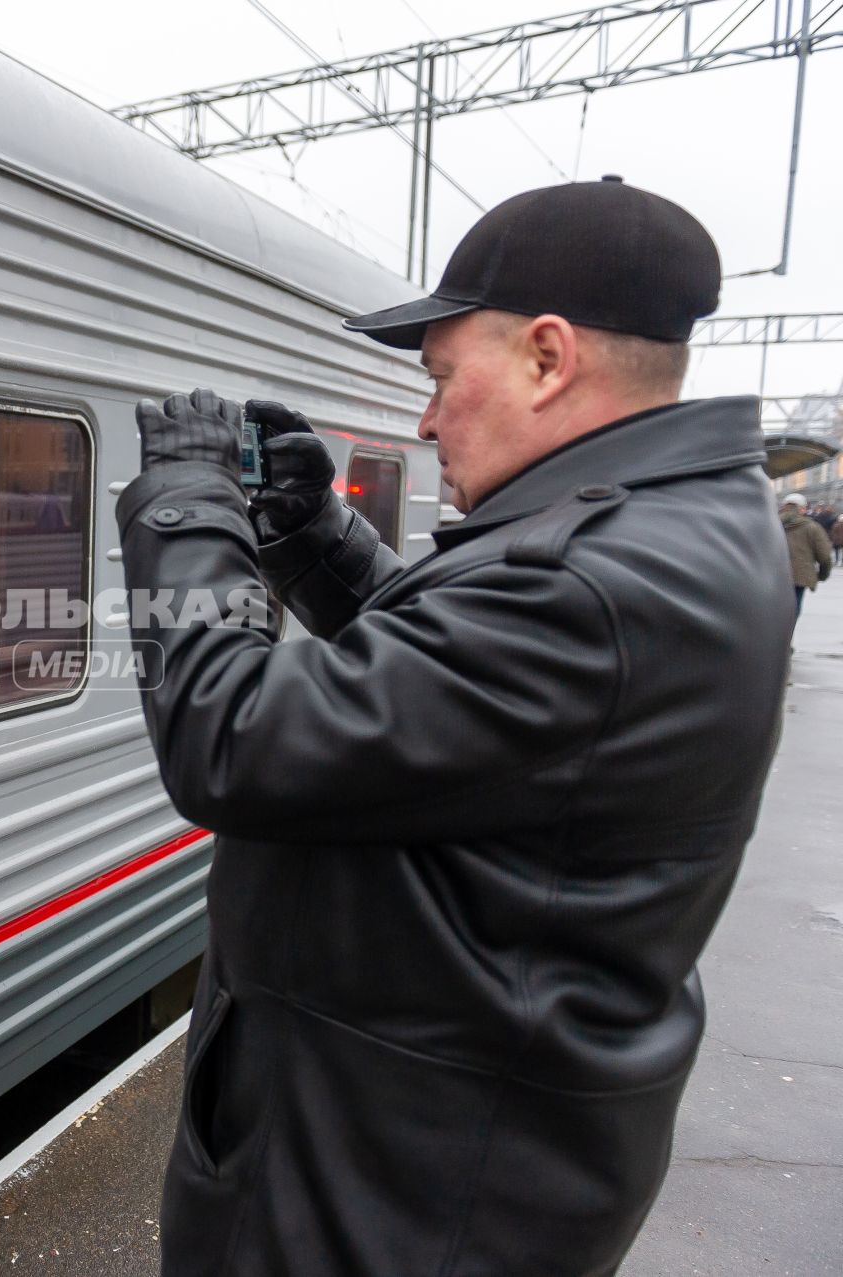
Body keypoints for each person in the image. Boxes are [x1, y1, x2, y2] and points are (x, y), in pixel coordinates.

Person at [120, 177, 789, 1277]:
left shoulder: (595, 584)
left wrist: (186, 507)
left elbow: (227, 737)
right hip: (454, 1142)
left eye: (438, 379)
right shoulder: (677, 527)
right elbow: (464, 705)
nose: (426, 420)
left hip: (394, 1197)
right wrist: (314, 540)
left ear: (546, 355)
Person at [780, 492, 831, 616]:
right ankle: (787, 633)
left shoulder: (772, 524)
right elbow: (824, 556)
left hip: (774, 575)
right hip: (800, 575)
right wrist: (822, 575)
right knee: (794, 609)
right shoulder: (813, 528)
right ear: (802, 509)